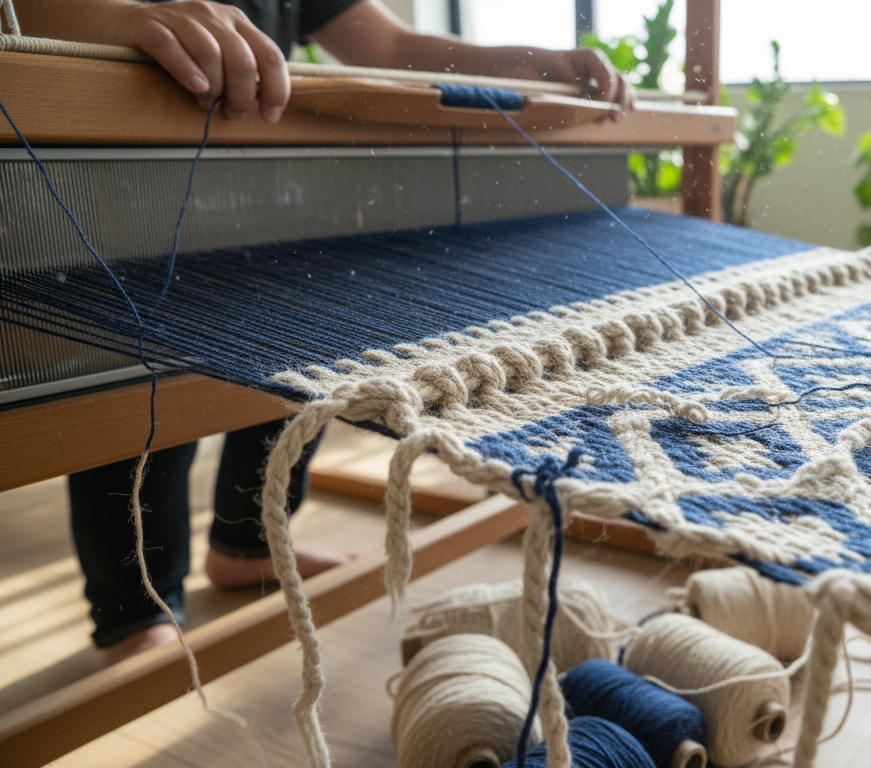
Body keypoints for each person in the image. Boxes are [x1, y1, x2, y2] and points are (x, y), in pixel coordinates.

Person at [12, 0, 634, 666]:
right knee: (142, 390)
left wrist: (525, 63)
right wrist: (113, 20)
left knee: (293, 354)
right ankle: (136, 608)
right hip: (109, 195)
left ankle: (247, 545)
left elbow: (391, 46)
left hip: (257, 195)